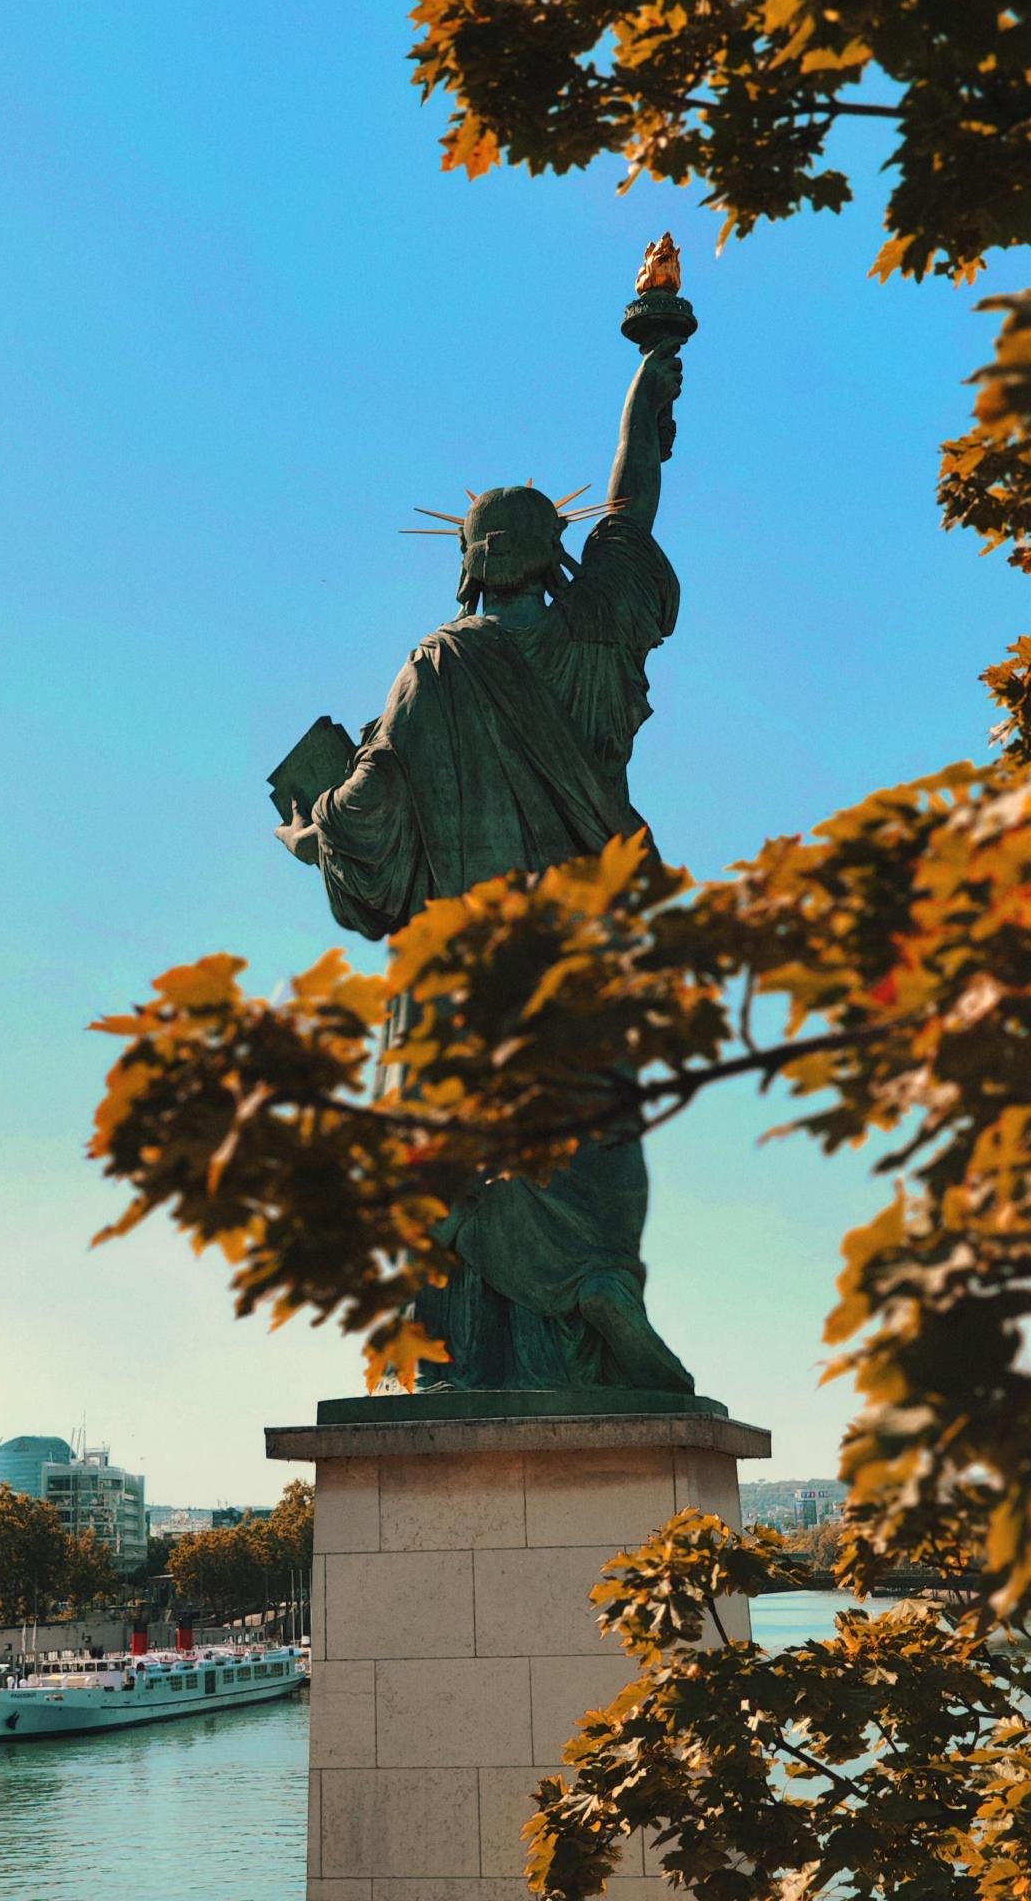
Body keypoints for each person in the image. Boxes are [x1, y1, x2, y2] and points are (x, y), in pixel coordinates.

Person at [276, 343, 693, 1393]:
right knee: (594, 1135)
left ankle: (460, 1357)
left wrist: (306, 824)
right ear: (554, 554)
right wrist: (653, 367)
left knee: (445, 1144)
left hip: (459, 978)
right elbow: (633, 497)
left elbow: (366, 825)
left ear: (467, 561)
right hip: (579, 965)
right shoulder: (597, 637)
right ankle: (599, 1278)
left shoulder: (434, 665)